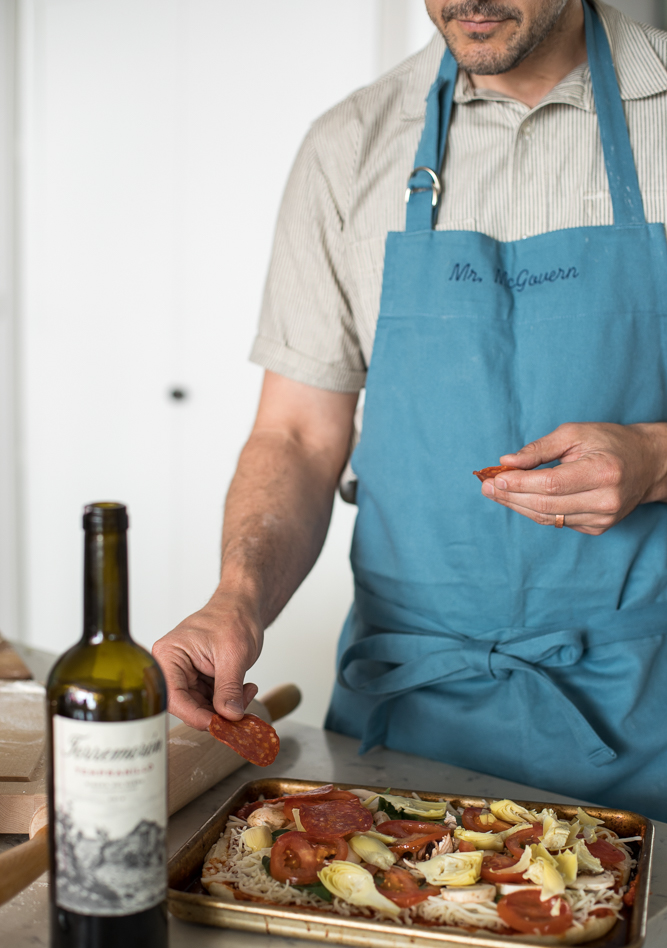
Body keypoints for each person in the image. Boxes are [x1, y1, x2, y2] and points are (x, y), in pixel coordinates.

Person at [153, 0, 667, 821]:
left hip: (645, 710)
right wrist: (236, 599)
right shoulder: (348, 145)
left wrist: (655, 457)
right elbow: (296, 434)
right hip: (405, 721)